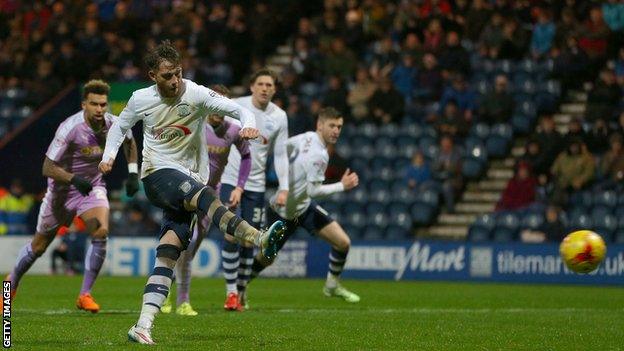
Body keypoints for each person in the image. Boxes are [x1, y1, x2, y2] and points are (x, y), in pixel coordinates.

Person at [98, 41, 285, 345]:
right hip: (157, 175)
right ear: (152, 76)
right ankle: (257, 237)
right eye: (167, 76)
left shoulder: (196, 93)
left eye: (177, 73)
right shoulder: (139, 99)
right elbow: (120, 128)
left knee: (169, 252)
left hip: (189, 178)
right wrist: (108, 156)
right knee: (207, 196)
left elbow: (237, 109)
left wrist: (249, 125)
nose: (174, 81)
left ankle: (143, 324)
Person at [4, 80, 140, 313]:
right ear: (83, 105)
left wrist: (133, 173)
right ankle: (9, 286)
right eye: (94, 104)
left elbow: (129, 141)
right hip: (61, 193)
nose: (99, 109)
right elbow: (47, 167)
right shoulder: (70, 128)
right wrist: (74, 179)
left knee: (101, 231)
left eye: (103, 104)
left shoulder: (114, 124)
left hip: (92, 188)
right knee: (38, 247)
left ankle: (84, 294)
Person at [248, 107, 361, 303]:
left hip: (304, 208)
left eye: (339, 126)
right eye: (332, 125)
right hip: (282, 212)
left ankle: (332, 286)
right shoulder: (320, 154)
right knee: (266, 258)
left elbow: (281, 148)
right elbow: (314, 191)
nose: (336, 130)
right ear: (320, 125)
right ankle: (239, 287)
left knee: (343, 242)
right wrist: (342, 186)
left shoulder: (305, 137)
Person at [160, 85, 252, 315]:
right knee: (178, 245)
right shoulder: (194, 123)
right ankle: (176, 298)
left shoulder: (233, 130)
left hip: (209, 194)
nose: (218, 110)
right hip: (185, 190)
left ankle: (178, 300)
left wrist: (240, 187)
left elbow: (247, 157)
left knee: (190, 249)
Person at [219, 68, 289, 311]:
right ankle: (230, 293)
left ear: (274, 89)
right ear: (252, 87)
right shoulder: (236, 106)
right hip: (230, 178)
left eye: (269, 85)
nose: (265, 88)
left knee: (250, 241)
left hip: (257, 186)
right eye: (260, 83)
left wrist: (284, 186)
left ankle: (241, 290)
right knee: (231, 232)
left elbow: (280, 154)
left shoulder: (279, 116)